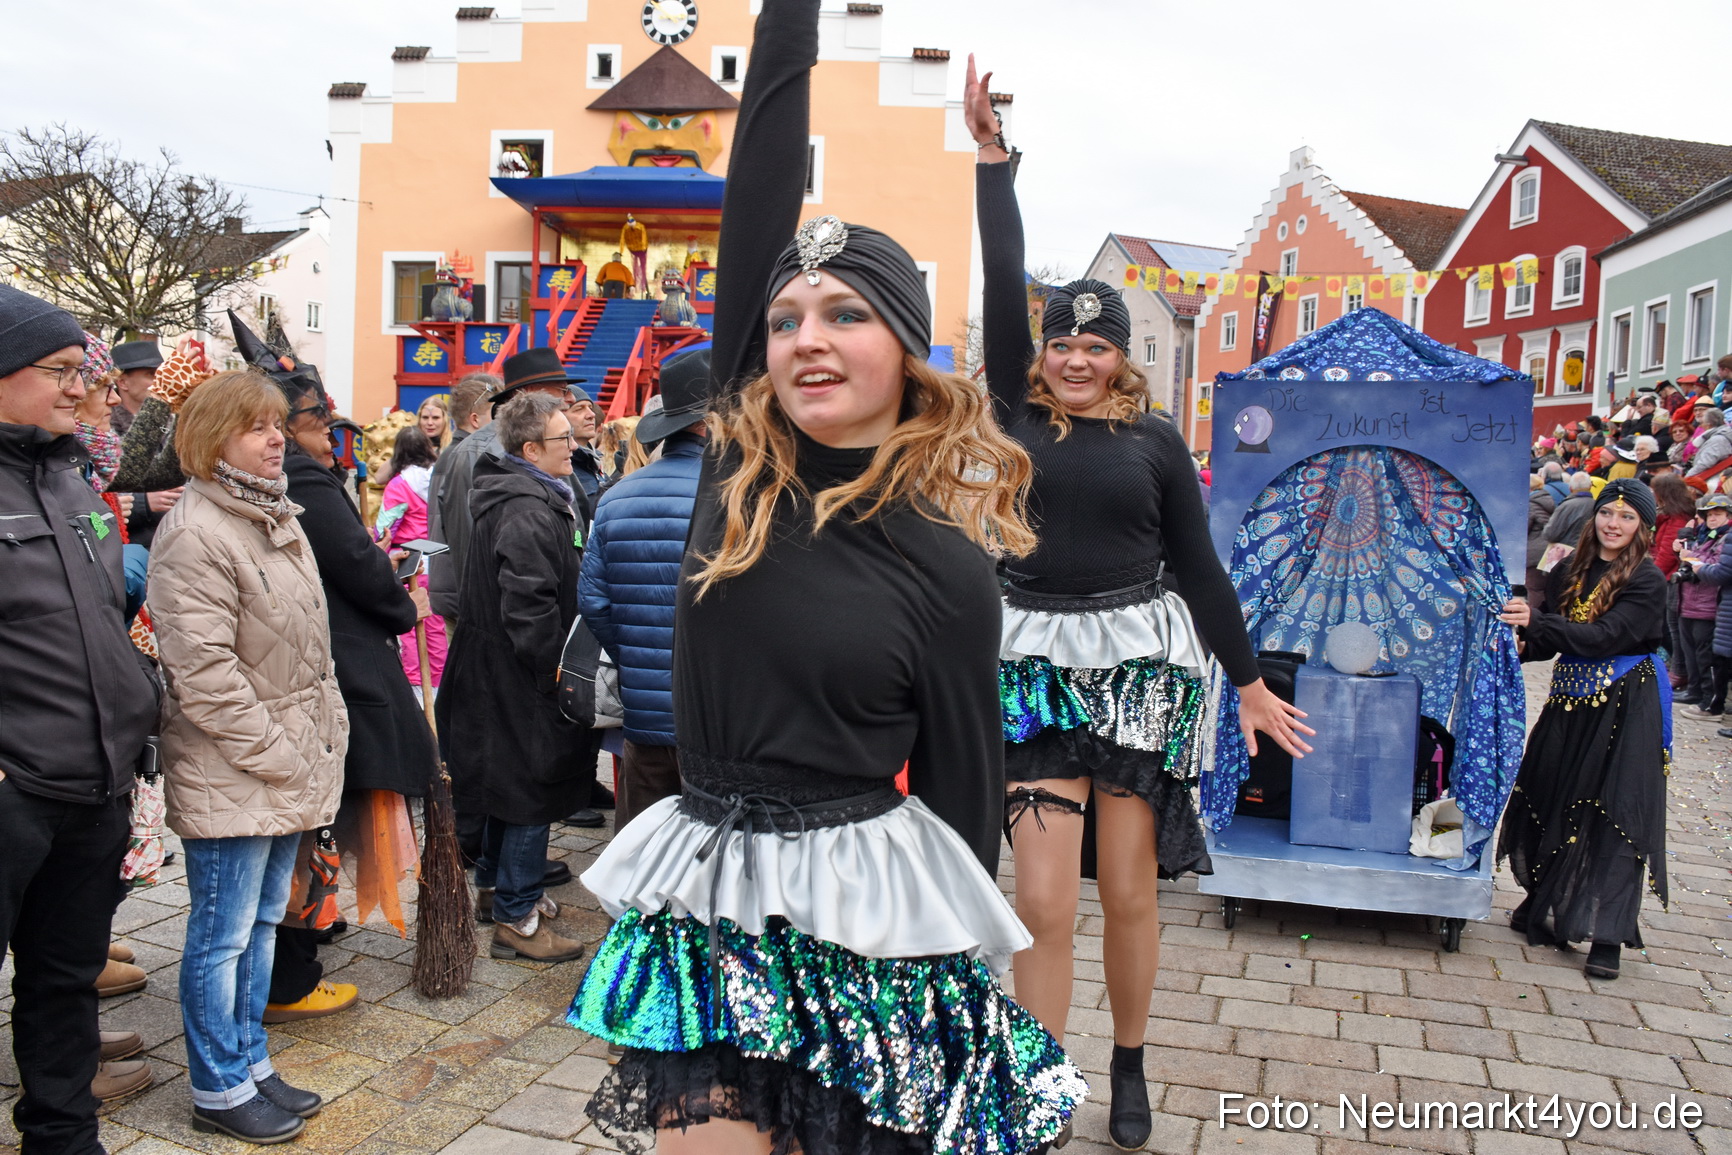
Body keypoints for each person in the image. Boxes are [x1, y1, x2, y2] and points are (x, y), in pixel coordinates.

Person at [569, 7, 1085, 1152]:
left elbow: (961, 801)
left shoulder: (949, 568)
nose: (808, 336)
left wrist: (961, 996)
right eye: (788, 317)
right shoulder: (735, 481)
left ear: (906, 351)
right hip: (711, 907)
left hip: (871, 923)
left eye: (847, 315)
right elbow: (760, 168)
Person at [967, 54, 1310, 1150]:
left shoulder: (1157, 442)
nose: (1072, 356)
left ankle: (1128, 1061)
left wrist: (1249, 685)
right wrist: (994, 167)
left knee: (1125, 894)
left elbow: (1201, 572)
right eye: (1060, 341)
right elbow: (1000, 276)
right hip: (1028, 664)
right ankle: (1037, 1078)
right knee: (1042, 906)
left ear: (1121, 357)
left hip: (1137, 670)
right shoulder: (1010, 414)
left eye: (1094, 343)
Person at [149, 369, 347, 1143]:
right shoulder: (197, 531)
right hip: (235, 765)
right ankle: (217, 1082)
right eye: (257, 427)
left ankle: (250, 1058)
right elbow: (203, 675)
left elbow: (306, 648)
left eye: (277, 425)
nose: (276, 439)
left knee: (265, 921)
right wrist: (276, 752)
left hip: (285, 760)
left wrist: (318, 738)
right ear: (212, 439)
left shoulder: (274, 516)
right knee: (223, 931)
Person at [0, 287, 162, 1148]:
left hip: (93, 788)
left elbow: (101, 621)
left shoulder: (72, 483)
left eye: (83, 371)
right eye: (60, 371)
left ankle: (65, 1137)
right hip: (14, 791)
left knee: (64, 987)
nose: (79, 388)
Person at [268, 370, 434, 1020]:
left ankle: (307, 936)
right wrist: (402, 602)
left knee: (315, 822)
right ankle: (291, 974)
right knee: (318, 821)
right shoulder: (303, 478)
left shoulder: (288, 477)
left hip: (314, 669)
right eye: (318, 419)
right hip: (331, 675)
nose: (331, 433)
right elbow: (354, 565)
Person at [442, 392, 595, 960]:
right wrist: (554, 672)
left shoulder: (523, 491)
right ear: (531, 448)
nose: (573, 447)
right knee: (531, 787)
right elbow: (528, 604)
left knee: (507, 784)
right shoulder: (528, 507)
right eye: (564, 440)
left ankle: (495, 889)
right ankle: (518, 916)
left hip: (494, 665)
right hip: (517, 671)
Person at [1497, 480, 1669, 980]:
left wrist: (1538, 624)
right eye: (1606, 513)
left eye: (1627, 516)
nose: (1613, 524)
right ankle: (1544, 902)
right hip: (1570, 697)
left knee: (1612, 811)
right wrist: (1519, 642)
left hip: (1624, 706)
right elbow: (1552, 641)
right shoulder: (1567, 567)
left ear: (1643, 526)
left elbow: (1603, 638)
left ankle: (1608, 936)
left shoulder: (1647, 579)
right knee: (1551, 791)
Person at [577, 351, 707, 831]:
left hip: (644, 707)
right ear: (709, 424)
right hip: (715, 713)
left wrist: (636, 651)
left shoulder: (615, 498)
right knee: (709, 850)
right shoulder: (737, 494)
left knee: (643, 844)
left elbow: (593, 602)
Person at [379, 426, 447, 694]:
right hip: (437, 557)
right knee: (436, 626)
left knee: (411, 624)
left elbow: (385, 527)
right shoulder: (439, 479)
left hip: (409, 562)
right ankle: (438, 686)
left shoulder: (399, 485)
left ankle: (417, 688)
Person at [109, 339, 182, 545]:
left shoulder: (168, 420)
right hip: (135, 551)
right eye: (150, 374)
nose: (159, 380)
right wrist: (145, 503)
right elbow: (95, 499)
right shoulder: (105, 430)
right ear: (123, 382)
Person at [1675, 496, 1729, 707]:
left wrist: (1691, 559)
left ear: (1728, 516)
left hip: (1707, 604)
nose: (1713, 519)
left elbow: (1718, 567)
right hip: (1689, 601)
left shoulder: (1725, 539)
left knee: (1704, 655)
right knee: (1691, 651)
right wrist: (1679, 551)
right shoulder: (1705, 536)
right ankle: (1694, 690)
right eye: (1710, 515)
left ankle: (1708, 699)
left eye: (1718, 514)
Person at [1651, 473, 1697, 691]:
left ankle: (1680, 671)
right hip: (1666, 576)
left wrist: (1653, 577)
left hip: (1670, 579)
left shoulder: (1676, 517)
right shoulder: (1671, 516)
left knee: (1669, 627)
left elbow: (1668, 552)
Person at [445, 373, 497, 447]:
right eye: (493, 413)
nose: (497, 420)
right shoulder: (474, 453)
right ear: (475, 419)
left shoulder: (456, 450)